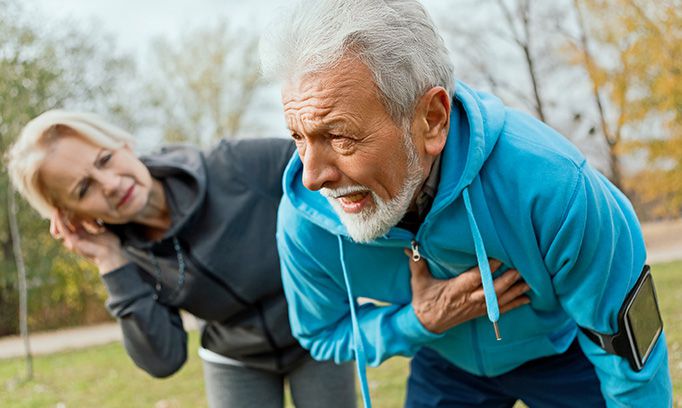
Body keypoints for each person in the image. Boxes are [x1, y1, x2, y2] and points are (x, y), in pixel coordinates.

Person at [259, 0, 673, 407]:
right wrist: (419, 321)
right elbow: (321, 334)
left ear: (431, 119)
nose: (312, 177)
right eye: (298, 137)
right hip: (445, 364)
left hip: (563, 357)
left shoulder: (555, 186)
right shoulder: (304, 218)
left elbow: (630, 347)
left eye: (339, 136)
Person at [6, 110, 358, 408]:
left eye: (105, 159)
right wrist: (111, 262)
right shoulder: (127, 258)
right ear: (72, 216)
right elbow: (164, 360)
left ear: (123, 144)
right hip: (234, 358)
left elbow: (336, 179)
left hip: (316, 334)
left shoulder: (236, 165)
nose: (110, 184)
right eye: (84, 189)